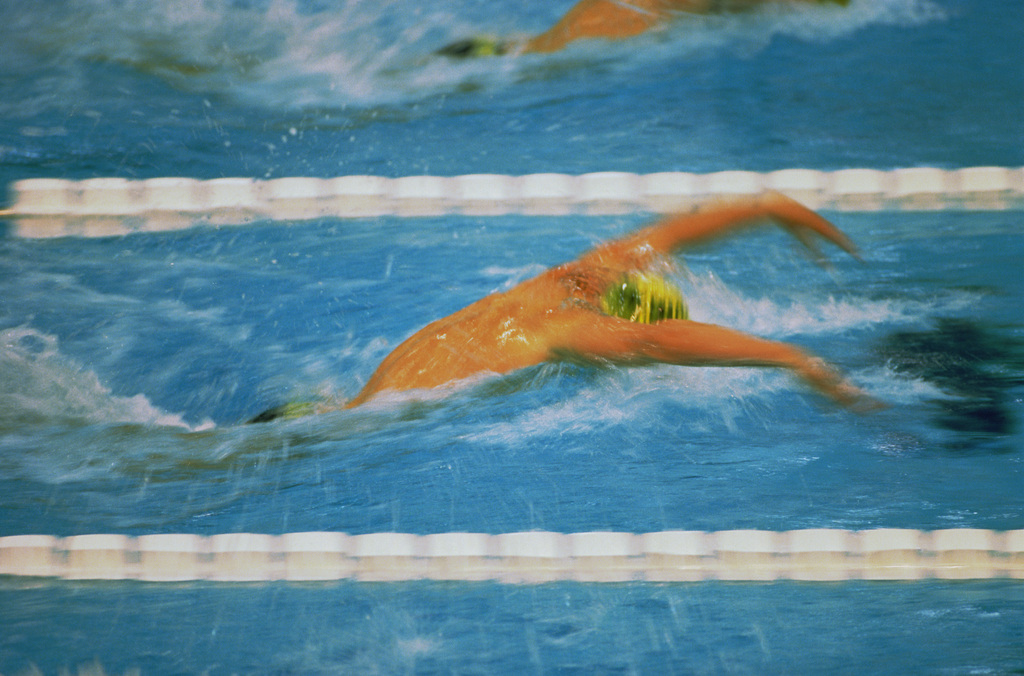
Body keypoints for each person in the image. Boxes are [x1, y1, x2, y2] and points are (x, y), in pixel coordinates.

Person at [250, 192, 877, 422]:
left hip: (351, 399)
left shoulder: (573, 280)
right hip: (370, 423)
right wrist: (790, 357)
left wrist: (765, 206)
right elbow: (654, 342)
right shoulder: (574, 329)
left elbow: (666, 235)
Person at [436, 0, 850, 58]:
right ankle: (482, 52)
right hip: (631, 16)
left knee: (531, 50)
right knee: (538, 57)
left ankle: (488, 49)